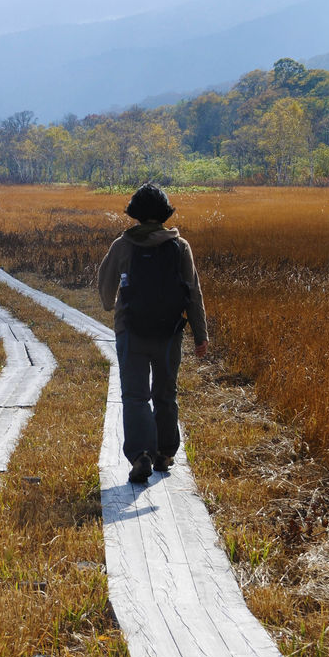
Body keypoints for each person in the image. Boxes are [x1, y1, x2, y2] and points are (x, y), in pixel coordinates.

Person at [97, 183, 208, 484]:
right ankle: (165, 453)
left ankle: (141, 454)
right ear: (163, 213)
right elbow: (193, 294)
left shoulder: (123, 245)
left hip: (130, 331)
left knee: (134, 395)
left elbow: (106, 290)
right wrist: (201, 335)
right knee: (165, 393)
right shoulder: (180, 246)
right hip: (170, 333)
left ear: (135, 213)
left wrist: (110, 304)